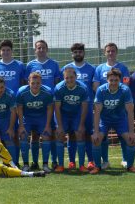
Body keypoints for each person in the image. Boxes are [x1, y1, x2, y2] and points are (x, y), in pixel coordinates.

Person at [90, 68, 135, 174]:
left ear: (120, 80)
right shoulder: (101, 90)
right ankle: (97, 166)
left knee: (131, 140)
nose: (113, 83)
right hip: (105, 120)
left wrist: (131, 131)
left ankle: (130, 166)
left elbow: (130, 112)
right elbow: (97, 111)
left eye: (116, 80)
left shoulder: (125, 90)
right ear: (107, 80)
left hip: (120, 120)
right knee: (96, 139)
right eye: (111, 80)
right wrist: (96, 132)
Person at [93, 42, 129, 169]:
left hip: (119, 108)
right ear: (105, 53)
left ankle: (125, 160)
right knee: (102, 137)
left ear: (116, 52)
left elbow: (126, 86)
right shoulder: (99, 68)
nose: (110, 53)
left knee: (123, 135)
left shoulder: (123, 68)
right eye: (108, 51)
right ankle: (105, 161)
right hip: (104, 109)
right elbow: (96, 86)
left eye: (113, 51)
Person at [0, 39, 27, 166]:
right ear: (0, 52)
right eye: (3, 50)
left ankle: (15, 162)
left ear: (12, 51)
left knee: (14, 135)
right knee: (2, 136)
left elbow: (23, 83)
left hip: (15, 105)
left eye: (8, 50)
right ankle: (3, 162)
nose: (6, 52)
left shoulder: (19, 65)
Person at [26, 40, 61, 170]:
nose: (41, 50)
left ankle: (53, 161)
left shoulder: (54, 64)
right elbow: (26, 83)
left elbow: (57, 82)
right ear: (35, 50)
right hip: (34, 105)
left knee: (50, 133)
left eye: (43, 48)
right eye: (38, 48)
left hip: (49, 104)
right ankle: (35, 162)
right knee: (34, 134)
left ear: (47, 49)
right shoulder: (30, 65)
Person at [61, 43, 95, 171]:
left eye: (80, 51)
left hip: (86, 107)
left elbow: (94, 87)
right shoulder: (66, 68)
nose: (78, 54)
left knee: (86, 134)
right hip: (70, 109)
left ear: (84, 53)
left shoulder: (92, 69)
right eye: (75, 52)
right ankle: (71, 162)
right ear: (72, 54)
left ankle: (90, 161)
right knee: (72, 134)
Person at [54, 67, 89, 173]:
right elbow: (57, 108)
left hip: (76, 114)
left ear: (76, 77)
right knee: (60, 134)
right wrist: (59, 126)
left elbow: (84, 107)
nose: (69, 80)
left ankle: (82, 165)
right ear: (63, 78)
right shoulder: (59, 88)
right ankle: (60, 165)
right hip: (63, 114)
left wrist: (81, 124)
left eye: (71, 77)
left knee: (80, 133)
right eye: (67, 78)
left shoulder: (83, 88)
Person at [17, 72, 54, 173]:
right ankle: (26, 164)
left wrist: (47, 125)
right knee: (23, 136)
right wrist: (20, 125)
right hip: (27, 118)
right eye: (33, 83)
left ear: (41, 82)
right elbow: (19, 109)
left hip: (42, 118)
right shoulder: (21, 92)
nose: (35, 85)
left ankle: (45, 164)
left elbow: (50, 108)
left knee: (46, 135)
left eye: (38, 83)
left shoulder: (47, 92)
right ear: (28, 82)